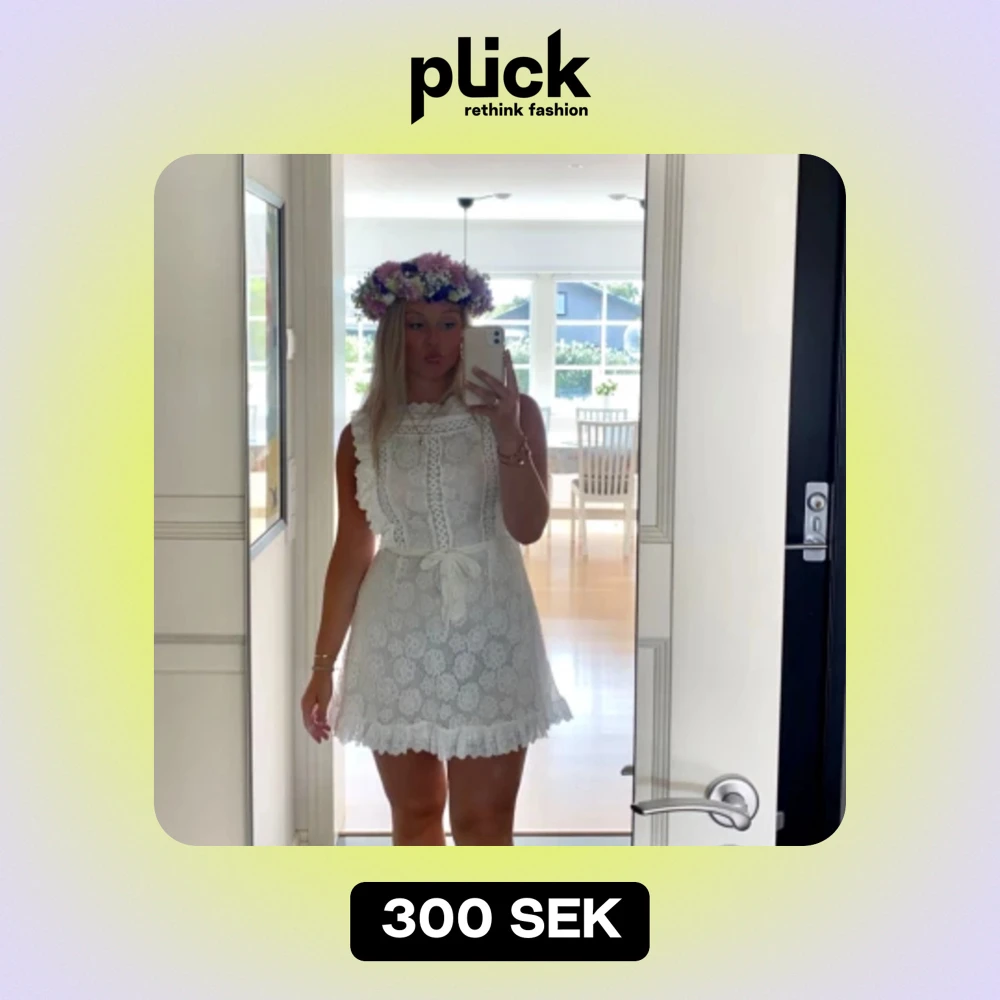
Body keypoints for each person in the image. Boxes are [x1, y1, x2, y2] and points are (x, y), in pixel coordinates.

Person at [299, 252, 572, 846]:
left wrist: (507, 432)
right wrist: (322, 667)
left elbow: (528, 527)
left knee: (485, 823)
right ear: (391, 333)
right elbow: (352, 550)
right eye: (417, 324)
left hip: (491, 630)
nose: (434, 341)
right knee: (416, 815)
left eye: (449, 324)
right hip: (395, 638)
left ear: (468, 330)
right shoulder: (362, 434)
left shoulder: (517, 414)